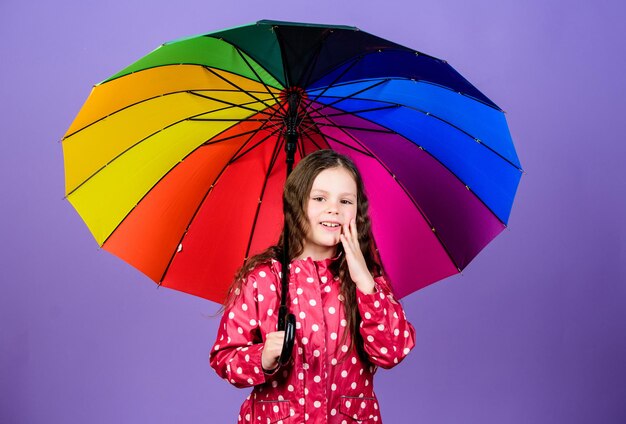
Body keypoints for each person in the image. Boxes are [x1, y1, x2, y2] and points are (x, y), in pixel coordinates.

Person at [210, 149, 416, 423]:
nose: (334, 208)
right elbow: (226, 358)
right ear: (296, 205)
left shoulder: (368, 281)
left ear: (358, 211)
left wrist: (365, 282)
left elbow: (392, 350)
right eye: (319, 198)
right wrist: (263, 356)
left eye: (345, 201)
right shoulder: (263, 279)